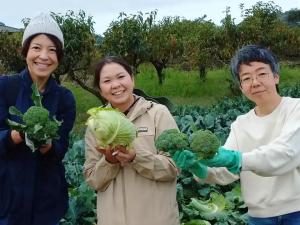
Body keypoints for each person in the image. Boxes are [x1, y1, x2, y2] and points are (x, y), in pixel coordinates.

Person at [175, 44, 300, 225]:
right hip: (259, 217)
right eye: (247, 78)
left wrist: (238, 160)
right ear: (241, 87)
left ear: (276, 77)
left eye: (262, 74)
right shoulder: (241, 124)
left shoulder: (295, 109)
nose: (255, 82)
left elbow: (285, 153)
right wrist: (199, 167)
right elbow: (226, 171)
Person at [83, 56, 180, 225]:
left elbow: (174, 166)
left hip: (156, 219)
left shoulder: (158, 113)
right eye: (107, 81)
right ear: (100, 89)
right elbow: (93, 179)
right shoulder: (96, 124)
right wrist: (108, 161)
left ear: (132, 79)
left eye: (121, 77)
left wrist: (136, 158)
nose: (115, 85)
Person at [0, 13, 76, 225]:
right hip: (7, 199)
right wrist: (15, 135)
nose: (44, 56)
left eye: (52, 50)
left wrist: (49, 146)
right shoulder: (5, 87)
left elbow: (62, 149)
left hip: (46, 201)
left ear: (59, 57)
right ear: (25, 52)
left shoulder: (65, 98)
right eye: (36, 47)